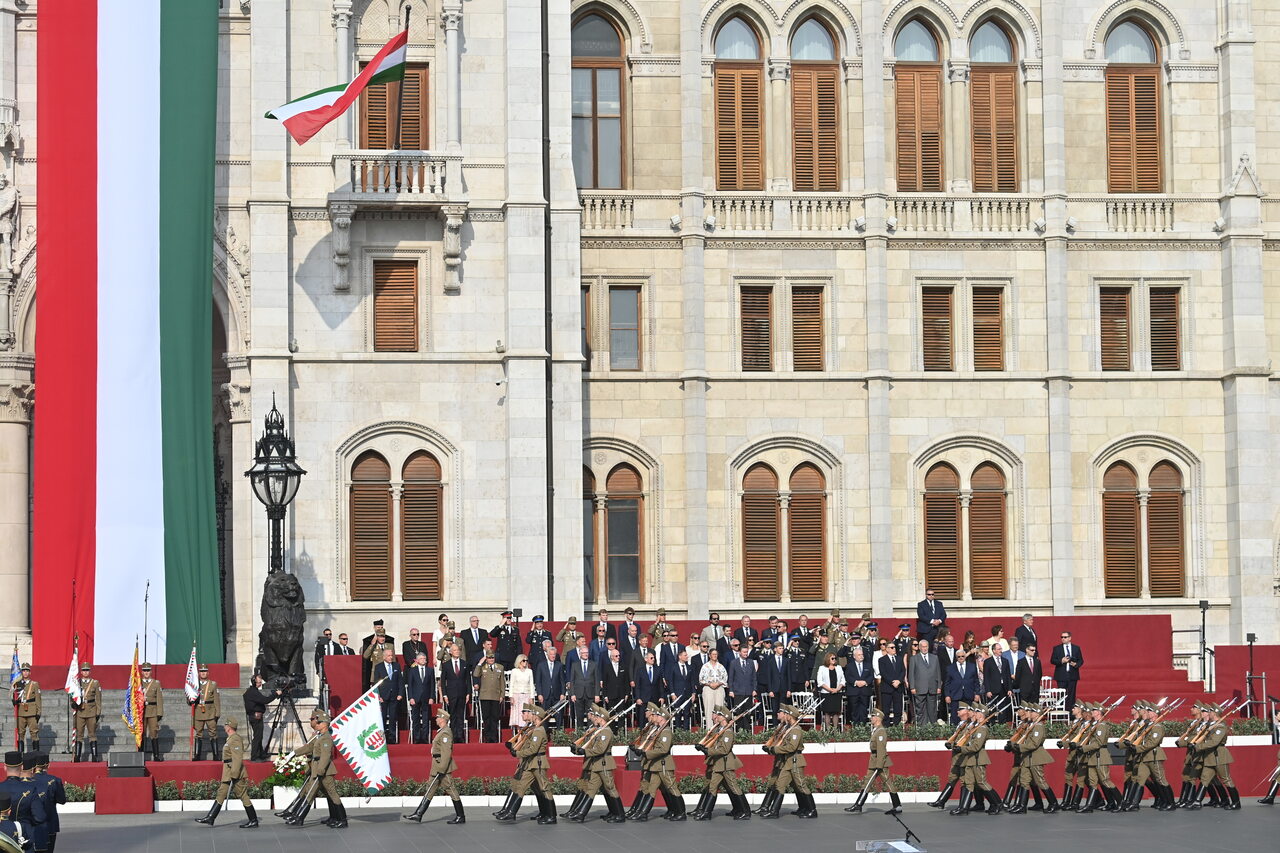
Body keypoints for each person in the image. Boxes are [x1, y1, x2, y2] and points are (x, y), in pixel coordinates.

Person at [404, 707, 466, 824]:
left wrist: (442, 769)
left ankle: (460, 816)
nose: (436, 719)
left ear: (442, 719)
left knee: (451, 789)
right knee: (430, 789)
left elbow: (446, 753)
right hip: (436, 766)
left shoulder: (446, 732)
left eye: (438, 717)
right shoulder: (441, 732)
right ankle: (418, 814)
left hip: (442, 767)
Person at [565, 704, 626, 823]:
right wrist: (579, 750)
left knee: (610, 788)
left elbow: (600, 749)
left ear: (602, 718)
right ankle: (581, 814)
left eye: (597, 717)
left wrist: (584, 751)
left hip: (604, 763)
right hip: (597, 763)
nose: (595, 719)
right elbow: (592, 747)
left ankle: (620, 814)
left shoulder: (606, 732)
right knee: (591, 788)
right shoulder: (599, 731)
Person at [495, 704, 554, 824]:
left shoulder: (539, 731)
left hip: (537, 763)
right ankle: (511, 812)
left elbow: (533, 749)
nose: (530, 715)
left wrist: (517, 753)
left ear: (536, 716)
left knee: (544, 788)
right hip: (530, 763)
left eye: (532, 713)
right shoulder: (533, 729)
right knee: (522, 786)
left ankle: (551, 816)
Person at [194, 717, 258, 828]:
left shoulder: (235, 739)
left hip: (234, 772)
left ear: (229, 727)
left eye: (225, 725)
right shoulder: (230, 739)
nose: (224, 726)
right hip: (228, 771)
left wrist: (234, 774)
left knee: (242, 795)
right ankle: (210, 817)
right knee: (221, 793)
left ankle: (253, 820)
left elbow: (237, 758)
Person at [286, 711, 345, 828]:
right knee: (327, 794)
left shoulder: (326, 738)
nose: (316, 724)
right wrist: (294, 753)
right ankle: (334, 817)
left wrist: (321, 770)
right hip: (318, 768)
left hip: (325, 771)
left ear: (324, 724)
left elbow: (325, 756)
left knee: (332, 794)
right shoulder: (321, 737)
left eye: (319, 722)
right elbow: (310, 747)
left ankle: (342, 820)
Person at [693, 704, 749, 821]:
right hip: (718, 764)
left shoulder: (728, 732)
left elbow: (724, 750)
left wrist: (707, 751)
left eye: (718, 715)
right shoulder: (719, 730)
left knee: (733, 787)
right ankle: (707, 812)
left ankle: (745, 811)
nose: (716, 717)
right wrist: (703, 747)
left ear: (723, 717)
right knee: (712, 787)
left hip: (725, 763)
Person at [629, 703, 683, 821]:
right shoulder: (657, 730)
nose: (655, 716)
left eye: (657, 715)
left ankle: (681, 812)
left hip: (664, 764)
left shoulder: (666, 731)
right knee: (651, 789)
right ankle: (642, 813)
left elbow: (663, 749)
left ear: (662, 717)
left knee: (672, 788)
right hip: (656, 764)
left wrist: (645, 753)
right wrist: (640, 749)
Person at [760, 704, 814, 819]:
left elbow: (791, 747)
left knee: (801, 785)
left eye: (788, 714)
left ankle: (812, 810)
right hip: (787, 761)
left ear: (791, 716)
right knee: (780, 785)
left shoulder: (796, 730)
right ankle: (774, 811)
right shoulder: (789, 729)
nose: (786, 715)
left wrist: (774, 749)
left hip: (795, 761)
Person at [846, 708, 900, 815]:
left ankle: (897, 806)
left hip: (880, 761)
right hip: (874, 760)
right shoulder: (876, 730)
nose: (871, 718)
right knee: (867, 782)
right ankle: (858, 805)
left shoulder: (881, 732)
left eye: (873, 716)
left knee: (887, 783)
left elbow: (881, 749)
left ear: (878, 718)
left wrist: (879, 765)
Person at [951, 703, 1000, 816]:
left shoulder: (982, 729)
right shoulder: (975, 727)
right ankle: (963, 808)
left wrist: (961, 749)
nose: (974, 714)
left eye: (977, 712)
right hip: (970, 759)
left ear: (981, 714)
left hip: (978, 758)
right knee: (968, 783)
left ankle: (996, 803)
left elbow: (976, 746)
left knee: (981, 782)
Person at [1008, 704, 1057, 814]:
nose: (1028, 713)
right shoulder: (1031, 725)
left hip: (1035, 757)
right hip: (1027, 758)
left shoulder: (1038, 727)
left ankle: (1053, 803)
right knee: (1024, 781)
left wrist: (1019, 747)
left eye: (1031, 712)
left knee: (1040, 781)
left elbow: (1034, 744)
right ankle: (1022, 805)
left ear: (1036, 714)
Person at [1189, 703, 1239, 810]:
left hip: (1219, 755)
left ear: (1215, 713)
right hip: (1210, 756)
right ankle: (1197, 801)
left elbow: (1214, 742)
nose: (1208, 713)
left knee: (1226, 779)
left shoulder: (1221, 726)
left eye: (1210, 712)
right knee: (1204, 778)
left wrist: (1198, 746)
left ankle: (1236, 802)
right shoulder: (1212, 725)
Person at [929, 703, 970, 809]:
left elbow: (965, 741)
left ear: (966, 711)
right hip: (956, 757)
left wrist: (955, 745)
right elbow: (957, 740)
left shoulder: (969, 725)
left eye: (960, 710)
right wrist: (950, 744)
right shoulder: (961, 724)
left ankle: (963, 805)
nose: (957, 711)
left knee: (964, 781)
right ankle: (941, 801)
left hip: (962, 757)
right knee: (952, 778)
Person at [0, 752, 44, 850]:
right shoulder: (31, 790)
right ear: (22, 767)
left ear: (4, 767)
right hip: (24, 839)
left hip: (2, 837)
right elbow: (40, 817)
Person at [243, 672, 280, 761]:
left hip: (255, 716)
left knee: (258, 736)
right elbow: (265, 700)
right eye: (259, 682)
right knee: (257, 736)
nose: (260, 684)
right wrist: (275, 694)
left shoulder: (251, 691)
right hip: (256, 717)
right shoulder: (253, 692)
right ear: (253, 682)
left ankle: (261, 754)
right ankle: (254, 756)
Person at [30, 753, 64, 851]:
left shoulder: (28, 781)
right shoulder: (55, 780)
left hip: (32, 823)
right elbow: (62, 800)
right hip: (50, 822)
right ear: (48, 765)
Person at [71, 662, 101, 763]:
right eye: (83, 670)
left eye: (87, 670)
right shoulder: (77, 683)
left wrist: (98, 712)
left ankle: (95, 756)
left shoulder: (95, 683)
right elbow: (73, 695)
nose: (85, 672)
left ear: (90, 671)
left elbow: (98, 699)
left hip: (91, 711)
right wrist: (73, 704)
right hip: (80, 711)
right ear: (81, 671)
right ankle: (77, 756)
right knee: (79, 735)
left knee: (92, 734)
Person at [439, 644, 470, 741]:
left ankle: (459, 736)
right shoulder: (446, 665)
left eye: (458, 650)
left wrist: (468, 693)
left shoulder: (464, 664)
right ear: (450, 652)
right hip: (451, 694)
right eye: (455, 650)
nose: (457, 651)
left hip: (462, 693)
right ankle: (452, 735)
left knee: (460, 715)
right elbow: (443, 681)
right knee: (452, 715)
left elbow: (468, 680)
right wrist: (444, 695)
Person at [191, 664, 222, 760]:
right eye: (201, 671)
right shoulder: (194, 685)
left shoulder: (213, 684)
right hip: (198, 712)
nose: (203, 673)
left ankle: (216, 755)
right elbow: (189, 697)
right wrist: (190, 699)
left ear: (208, 673)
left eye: (204, 671)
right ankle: (197, 755)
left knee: (213, 733)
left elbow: (216, 700)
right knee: (198, 733)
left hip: (210, 711)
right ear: (199, 673)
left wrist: (217, 713)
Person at [474, 650, 505, 743]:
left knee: (495, 717)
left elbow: (502, 682)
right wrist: (480, 662)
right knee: (486, 717)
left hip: (495, 695)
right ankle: (488, 737)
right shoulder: (482, 667)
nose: (491, 659)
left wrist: (502, 695)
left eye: (492, 657)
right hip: (485, 696)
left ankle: (494, 737)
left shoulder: (500, 667)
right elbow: (475, 674)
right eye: (489, 658)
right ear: (486, 658)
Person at [374, 648, 403, 744]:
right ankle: (381, 738)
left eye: (392, 655)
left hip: (394, 696)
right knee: (382, 717)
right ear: (384, 657)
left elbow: (400, 681)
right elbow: (376, 683)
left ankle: (392, 737)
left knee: (392, 717)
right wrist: (378, 695)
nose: (391, 657)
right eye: (389, 656)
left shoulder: (396, 666)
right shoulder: (379, 667)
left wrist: (400, 693)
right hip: (383, 696)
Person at [909, 639, 942, 725]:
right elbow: (911, 674)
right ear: (919, 648)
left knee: (932, 709)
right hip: (919, 688)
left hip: (932, 687)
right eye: (923, 647)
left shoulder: (934, 658)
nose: (924, 648)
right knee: (920, 710)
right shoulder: (914, 659)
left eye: (926, 646)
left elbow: (938, 672)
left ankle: (933, 727)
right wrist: (912, 687)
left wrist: (939, 686)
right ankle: (922, 728)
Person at [534, 646, 567, 730]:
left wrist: (563, 693)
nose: (553, 656)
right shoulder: (541, 665)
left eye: (554, 654)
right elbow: (538, 681)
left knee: (559, 717)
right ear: (547, 655)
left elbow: (562, 681)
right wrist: (539, 694)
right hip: (545, 695)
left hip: (557, 696)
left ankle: (559, 736)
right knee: (545, 717)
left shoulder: (559, 665)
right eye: (551, 654)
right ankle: (544, 735)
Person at [1050, 631, 1083, 712]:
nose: (1063, 639)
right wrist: (1061, 661)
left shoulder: (1076, 648)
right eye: (1061, 637)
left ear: (1069, 638)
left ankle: (1071, 713)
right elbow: (1052, 660)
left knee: (1071, 695)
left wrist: (1076, 664)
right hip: (1061, 675)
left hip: (1072, 675)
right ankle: (1061, 713)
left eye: (1065, 637)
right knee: (1061, 695)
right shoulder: (1057, 648)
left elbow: (1081, 660)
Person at [406, 652, 435, 744]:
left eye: (425, 658)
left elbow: (432, 685)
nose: (424, 660)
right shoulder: (412, 670)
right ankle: (417, 737)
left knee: (426, 718)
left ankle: (425, 737)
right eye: (421, 659)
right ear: (417, 660)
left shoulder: (430, 670)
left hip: (426, 698)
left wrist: (431, 697)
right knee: (416, 718)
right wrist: (410, 697)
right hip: (415, 697)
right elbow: (410, 685)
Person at [727, 646, 757, 730]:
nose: (746, 654)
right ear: (740, 652)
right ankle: (739, 731)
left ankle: (747, 731)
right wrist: (731, 690)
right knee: (739, 712)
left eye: (747, 652)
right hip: (738, 691)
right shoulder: (734, 663)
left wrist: (754, 689)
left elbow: (754, 677)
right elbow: (731, 678)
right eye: (744, 652)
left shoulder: (750, 662)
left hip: (748, 691)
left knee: (747, 712)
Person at [11, 665, 39, 753]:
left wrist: (38, 711)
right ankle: (20, 754)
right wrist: (14, 701)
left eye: (27, 671)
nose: (25, 672)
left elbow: (38, 699)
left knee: (34, 733)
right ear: (21, 672)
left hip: (31, 711)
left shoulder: (34, 684)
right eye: (23, 671)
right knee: (20, 733)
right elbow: (14, 695)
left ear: (30, 672)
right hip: (21, 711)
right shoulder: (17, 684)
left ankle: (36, 754)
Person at [982, 643, 1012, 722]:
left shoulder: (1005, 661)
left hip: (1003, 688)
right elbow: (986, 677)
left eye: (1001, 649)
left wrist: (1009, 689)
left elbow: (1008, 676)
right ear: (994, 650)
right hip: (993, 689)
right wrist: (988, 690)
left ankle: (1002, 726)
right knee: (992, 708)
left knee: (1003, 708)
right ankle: (992, 726)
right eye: (999, 649)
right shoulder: (988, 662)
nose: (1001, 651)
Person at [878, 643, 906, 726]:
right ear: (887, 649)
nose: (894, 649)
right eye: (892, 647)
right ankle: (886, 727)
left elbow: (903, 671)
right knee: (886, 709)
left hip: (898, 688)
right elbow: (883, 673)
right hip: (887, 688)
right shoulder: (882, 660)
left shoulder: (899, 659)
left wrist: (899, 681)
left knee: (898, 709)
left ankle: (896, 727)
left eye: (895, 647)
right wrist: (892, 682)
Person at [666, 650, 695, 728]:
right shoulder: (673, 667)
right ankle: (678, 731)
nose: (687, 657)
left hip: (688, 694)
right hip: (677, 694)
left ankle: (685, 732)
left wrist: (693, 693)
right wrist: (672, 693)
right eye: (685, 655)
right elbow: (670, 681)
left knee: (687, 713)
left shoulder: (689, 667)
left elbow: (692, 681)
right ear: (680, 656)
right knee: (678, 713)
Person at [845, 646, 874, 724]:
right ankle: (855, 727)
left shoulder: (868, 665)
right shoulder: (849, 666)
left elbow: (871, 676)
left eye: (862, 654)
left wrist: (865, 682)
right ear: (854, 656)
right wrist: (856, 682)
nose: (861, 656)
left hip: (865, 691)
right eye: (859, 655)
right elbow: (848, 676)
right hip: (853, 691)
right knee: (854, 710)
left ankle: (863, 726)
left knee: (864, 709)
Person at [141, 663, 164, 761]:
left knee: (154, 733)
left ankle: (156, 755)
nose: (146, 672)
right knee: (141, 733)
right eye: (145, 670)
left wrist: (159, 713)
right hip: (141, 711)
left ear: (151, 671)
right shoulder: (138, 683)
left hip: (153, 711)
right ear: (142, 672)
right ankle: (140, 756)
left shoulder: (156, 683)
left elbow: (159, 699)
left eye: (148, 670)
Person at [361, 621, 395, 688]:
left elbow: (393, 659)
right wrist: (372, 645)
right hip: (376, 674)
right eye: (380, 636)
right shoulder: (373, 646)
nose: (382, 638)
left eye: (383, 637)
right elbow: (365, 656)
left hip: (387, 673)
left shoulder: (389, 645)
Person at [816, 653, 844, 729]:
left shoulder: (839, 668)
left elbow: (843, 680)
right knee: (827, 712)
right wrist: (830, 689)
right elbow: (820, 681)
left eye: (835, 658)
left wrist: (837, 689)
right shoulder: (822, 668)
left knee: (836, 712)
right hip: (826, 693)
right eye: (832, 658)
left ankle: (835, 729)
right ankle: (828, 730)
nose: (834, 660)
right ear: (828, 659)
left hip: (837, 693)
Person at [699, 649, 727, 724]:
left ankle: (719, 729)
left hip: (719, 688)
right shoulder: (705, 666)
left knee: (719, 709)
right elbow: (701, 679)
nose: (715, 656)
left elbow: (725, 678)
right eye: (713, 654)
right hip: (708, 688)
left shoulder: (721, 666)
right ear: (709, 655)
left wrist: (718, 683)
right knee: (709, 709)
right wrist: (709, 684)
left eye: (716, 654)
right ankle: (710, 729)